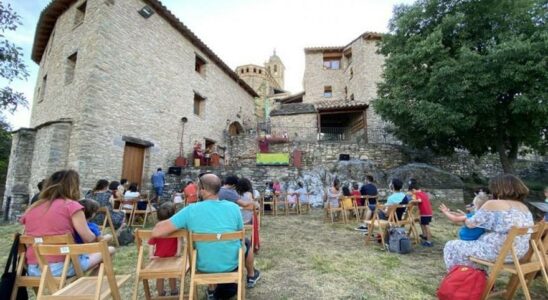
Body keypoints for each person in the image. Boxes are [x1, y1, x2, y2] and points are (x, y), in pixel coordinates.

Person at [151, 173, 261, 300]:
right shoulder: (233, 208)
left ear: (202, 190)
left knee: (206, 248)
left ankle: (211, 289)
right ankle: (250, 275)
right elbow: (240, 236)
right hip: (231, 263)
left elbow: (156, 231)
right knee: (245, 243)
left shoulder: (190, 210)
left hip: (203, 265)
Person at [21, 170, 115, 277]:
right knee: (109, 250)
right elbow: (89, 240)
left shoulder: (33, 207)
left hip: (33, 269)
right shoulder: (71, 206)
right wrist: (103, 238)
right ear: (73, 186)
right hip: (60, 267)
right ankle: (86, 288)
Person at [443, 174, 534, 271]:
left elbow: (471, 224)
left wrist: (464, 218)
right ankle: (477, 277)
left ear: (498, 188)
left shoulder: (493, 204)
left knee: (452, 245)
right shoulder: (524, 208)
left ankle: (463, 279)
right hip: (518, 253)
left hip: (497, 252)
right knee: (472, 248)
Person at [148, 203, 180, 297]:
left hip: (159, 257)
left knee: (159, 277)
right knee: (172, 275)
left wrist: (151, 255)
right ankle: (174, 291)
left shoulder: (156, 229)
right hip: (172, 256)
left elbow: (151, 243)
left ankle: (161, 293)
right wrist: (178, 252)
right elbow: (179, 240)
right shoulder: (174, 229)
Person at [408, 179, 433, 247]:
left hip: (425, 213)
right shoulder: (423, 193)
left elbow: (419, 200)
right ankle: (425, 235)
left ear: (413, 190)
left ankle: (429, 241)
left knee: (426, 226)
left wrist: (411, 201)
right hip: (428, 212)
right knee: (421, 221)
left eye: (411, 192)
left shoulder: (417, 194)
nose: (412, 193)